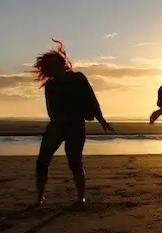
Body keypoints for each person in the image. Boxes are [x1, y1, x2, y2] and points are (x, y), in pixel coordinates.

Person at [33, 39, 114, 206]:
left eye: (52, 66)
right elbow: (51, 111)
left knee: (75, 162)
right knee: (42, 161)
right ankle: (39, 197)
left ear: (62, 64)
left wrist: (102, 121)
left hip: (75, 126)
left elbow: (92, 100)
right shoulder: (50, 86)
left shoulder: (78, 78)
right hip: (56, 126)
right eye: (48, 67)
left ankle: (80, 198)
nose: (50, 70)